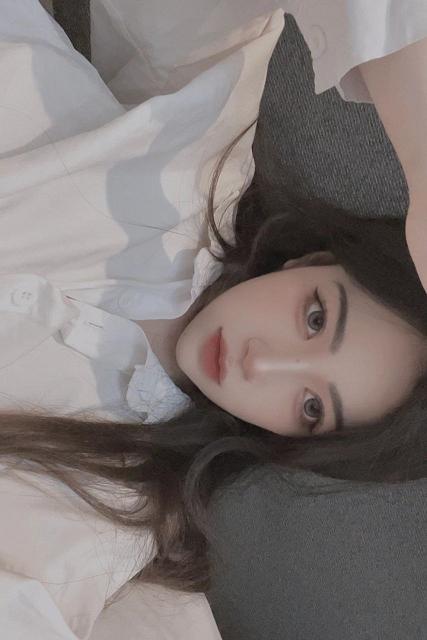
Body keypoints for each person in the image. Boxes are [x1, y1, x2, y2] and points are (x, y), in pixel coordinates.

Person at [1, 1, 427, 638]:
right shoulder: (200, 154)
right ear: (311, 261)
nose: (263, 363)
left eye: (311, 407)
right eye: (314, 318)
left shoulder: (110, 510)